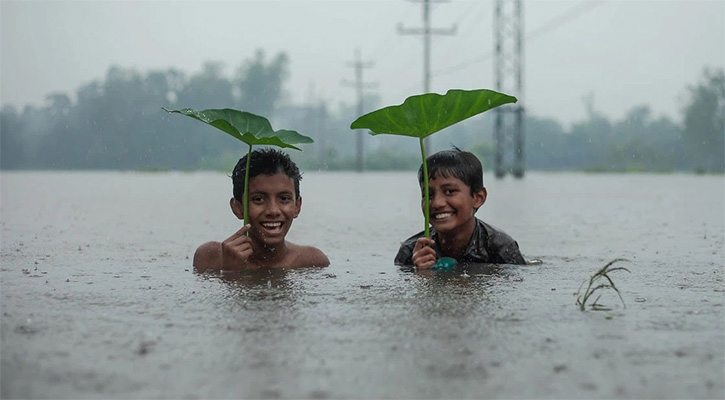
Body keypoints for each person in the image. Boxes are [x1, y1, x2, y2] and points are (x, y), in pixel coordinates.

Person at [194, 148, 329, 271]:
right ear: (237, 207)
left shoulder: (312, 262)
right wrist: (231, 271)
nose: (273, 211)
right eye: (258, 199)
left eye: (284, 199)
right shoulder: (210, 258)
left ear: (297, 206)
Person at [394, 147, 525, 268]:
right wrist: (421, 275)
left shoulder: (501, 248)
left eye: (450, 191)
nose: (437, 203)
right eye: (428, 194)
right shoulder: (410, 252)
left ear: (478, 198)